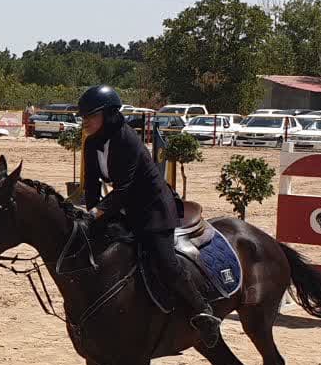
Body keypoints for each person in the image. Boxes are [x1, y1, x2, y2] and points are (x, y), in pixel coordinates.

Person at [77, 84, 222, 347]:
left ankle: (204, 313)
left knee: (165, 261)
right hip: (124, 208)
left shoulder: (127, 139)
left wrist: (97, 212)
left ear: (108, 115)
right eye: (83, 117)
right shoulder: (92, 143)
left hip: (154, 209)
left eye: (90, 116)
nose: (84, 122)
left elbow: (125, 188)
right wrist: (90, 213)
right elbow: (90, 186)